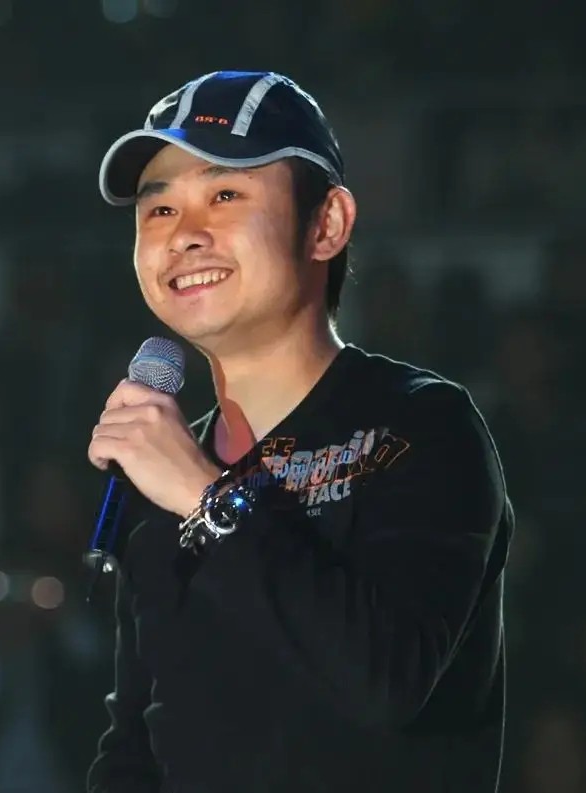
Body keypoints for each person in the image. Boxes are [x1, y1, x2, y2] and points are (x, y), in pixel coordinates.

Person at [84, 70, 514, 793]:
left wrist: (208, 500)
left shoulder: (421, 425)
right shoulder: (159, 474)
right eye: (158, 209)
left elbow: (385, 681)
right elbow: (140, 740)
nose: (184, 235)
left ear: (327, 224)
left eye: (225, 195)